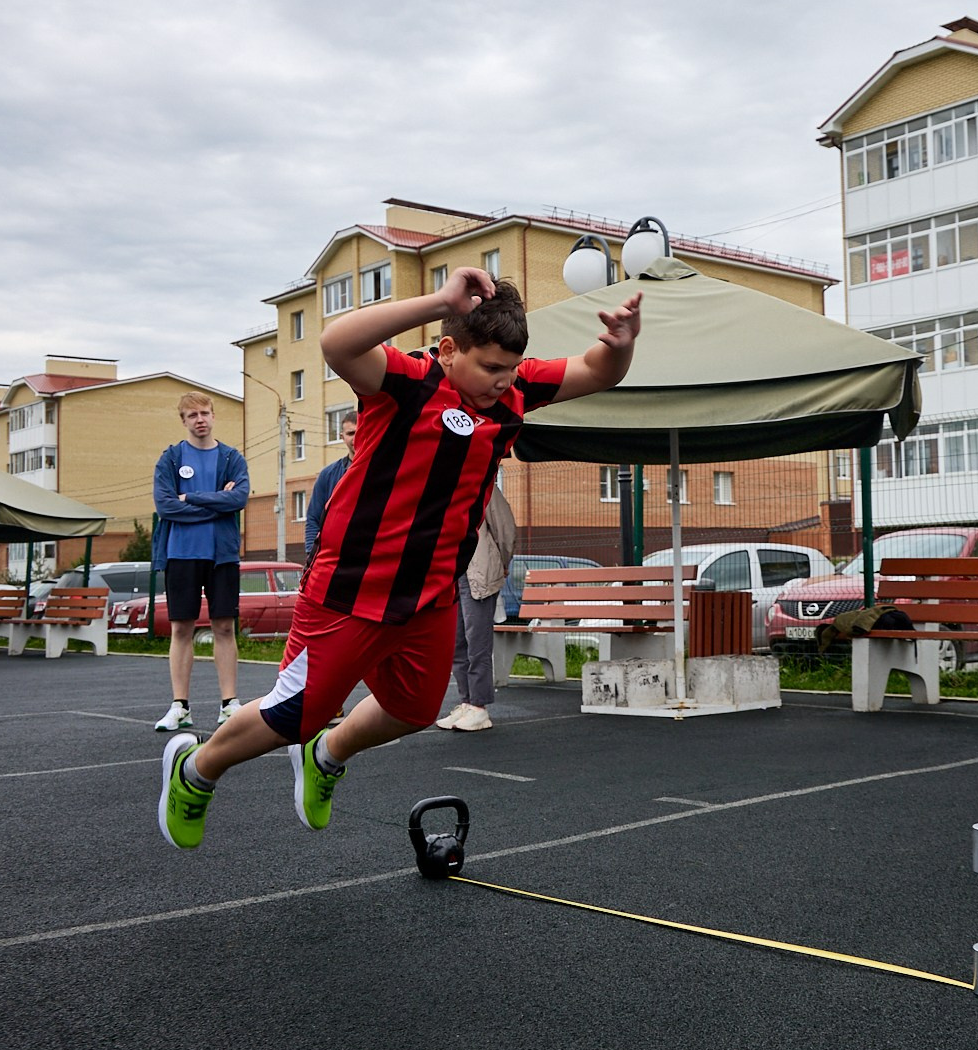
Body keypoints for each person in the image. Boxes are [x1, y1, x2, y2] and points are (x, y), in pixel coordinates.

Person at [156, 270, 642, 850]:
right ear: (448, 350)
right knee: (297, 713)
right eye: (490, 367)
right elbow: (337, 343)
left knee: (413, 709)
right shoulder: (407, 380)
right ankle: (194, 770)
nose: (503, 380)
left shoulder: (512, 390)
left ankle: (326, 756)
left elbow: (596, 371)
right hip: (350, 589)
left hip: (429, 596)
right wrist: (438, 300)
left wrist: (620, 345)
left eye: (511, 368)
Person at [151, 392, 249, 732]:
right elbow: (166, 507)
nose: (200, 419)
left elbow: (239, 498)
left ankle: (229, 704)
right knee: (181, 629)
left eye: (205, 413)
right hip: (180, 554)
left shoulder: (231, 458)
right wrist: (217, 503)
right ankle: (180, 706)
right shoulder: (171, 459)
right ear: (183, 420)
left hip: (222, 555)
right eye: (192, 415)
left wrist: (191, 497)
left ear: (213, 415)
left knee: (224, 627)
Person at [436, 482, 517, 733]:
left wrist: (502, 563)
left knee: (477, 643)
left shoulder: (483, 486)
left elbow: (505, 529)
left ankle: (479, 707)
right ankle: (467, 703)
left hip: (478, 572)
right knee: (457, 643)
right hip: (452, 575)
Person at [302, 409, 357, 559]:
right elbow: (314, 519)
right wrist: (312, 556)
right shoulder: (328, 475)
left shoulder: (383, 471)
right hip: (337, 559)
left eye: (360, 431)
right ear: (342, 437)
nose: (356, 438)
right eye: (351, 433)